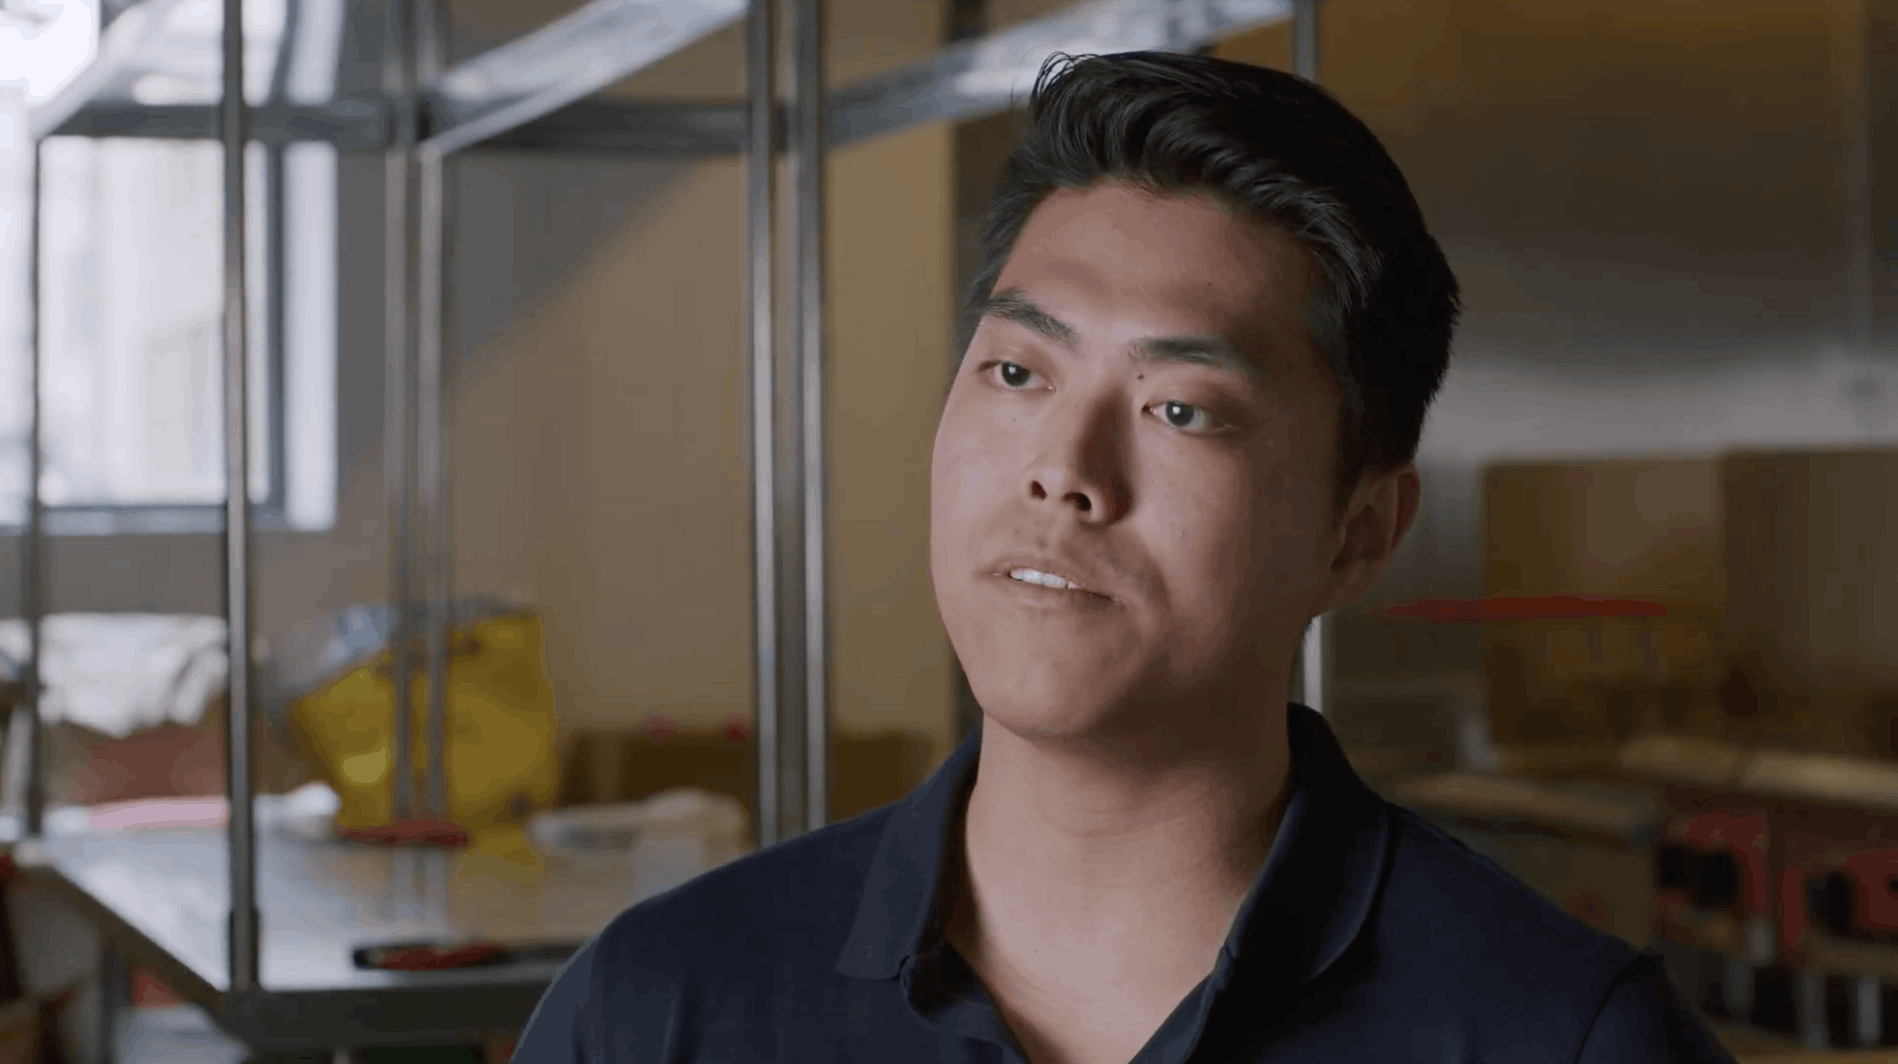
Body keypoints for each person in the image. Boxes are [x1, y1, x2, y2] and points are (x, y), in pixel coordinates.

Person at [512, 50, 1737, 1063]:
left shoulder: (1560, 1039)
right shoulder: (660, 1009)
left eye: (1180, 408)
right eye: (1015, 370)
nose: (1064, 468)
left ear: (1357, 531)